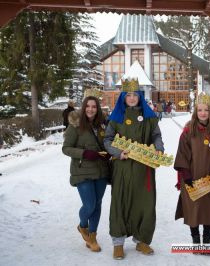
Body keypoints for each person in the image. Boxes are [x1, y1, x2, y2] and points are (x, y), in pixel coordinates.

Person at [104, 78, 164, 259]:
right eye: (128, 95)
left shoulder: (149, 117)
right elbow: (107, 140)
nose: (131, 98)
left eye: (134, 95)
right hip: (122, 167)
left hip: (144, 168)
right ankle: (118, 243)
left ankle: (142, 241)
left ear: (140, 96)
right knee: (120, 203)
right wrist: (117, 152)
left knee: (145, 204)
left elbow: (156, 135)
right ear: (123, 97)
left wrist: (159, 149)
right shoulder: (116, 117)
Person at [174, 92, 210, 255]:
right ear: (196, 112)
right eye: (200, 110)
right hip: (192, 178)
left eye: (206, 110)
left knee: (208, 210)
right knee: (193, 210)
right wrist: (186, 176)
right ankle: (196, 242)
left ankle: (207, 242)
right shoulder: (188, 132)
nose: (203, 113)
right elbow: (182, 153)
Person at [62, 91, 110, 253]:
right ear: (83, 108)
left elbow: (109, 143)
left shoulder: (103, 124)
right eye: (88, 106)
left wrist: (109, 152)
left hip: (101, 171)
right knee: (89, 204)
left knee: (97, 204)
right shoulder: (75, 125)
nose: (90, 109)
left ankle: (92, 236)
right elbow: (66, 148)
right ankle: (83, 226)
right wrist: (84, 153)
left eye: (94, 106)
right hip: (82, 171)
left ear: (97, 108)